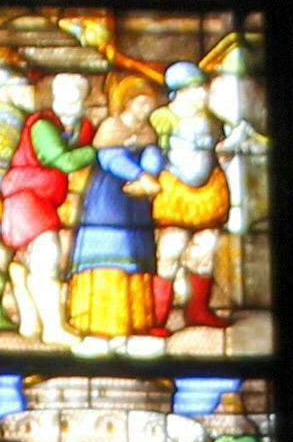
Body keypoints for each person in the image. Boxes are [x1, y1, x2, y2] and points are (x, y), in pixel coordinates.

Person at [68, 75, 166, 346]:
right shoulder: (111, 126)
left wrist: (150, 172)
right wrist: (139, 175)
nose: (146, 109)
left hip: (135, 200)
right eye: (141, 103)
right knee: (111, 251)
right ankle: (101, 326)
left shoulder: (147, 130)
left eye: (149, 104)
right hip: (108, 199)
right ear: (127, 102)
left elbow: (153, 153)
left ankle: (134, 323)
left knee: (135, 254)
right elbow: (109, 157)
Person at [0, 72, 91, 346]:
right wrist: (96, 150)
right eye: (62, 97)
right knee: (46, 255)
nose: (69, 104)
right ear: (53, 99)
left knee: (25, 262)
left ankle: (30, 322)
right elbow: (61, 160)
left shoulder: (81, 127)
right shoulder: (41, 125)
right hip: (25, 195)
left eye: (75, 97)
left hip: (46, 199)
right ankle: (53, 328)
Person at [147, 61, 239, 332]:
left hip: (209, 191)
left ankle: (198, 310)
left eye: (203, 87)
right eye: (197, 88)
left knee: (205, 250)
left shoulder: (212, 120)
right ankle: (157, 317)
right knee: (170, 251)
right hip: (175, 191)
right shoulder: (161, 118)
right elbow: (152, 153)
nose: (203, 93)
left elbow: (220, 149)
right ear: (181, 91)